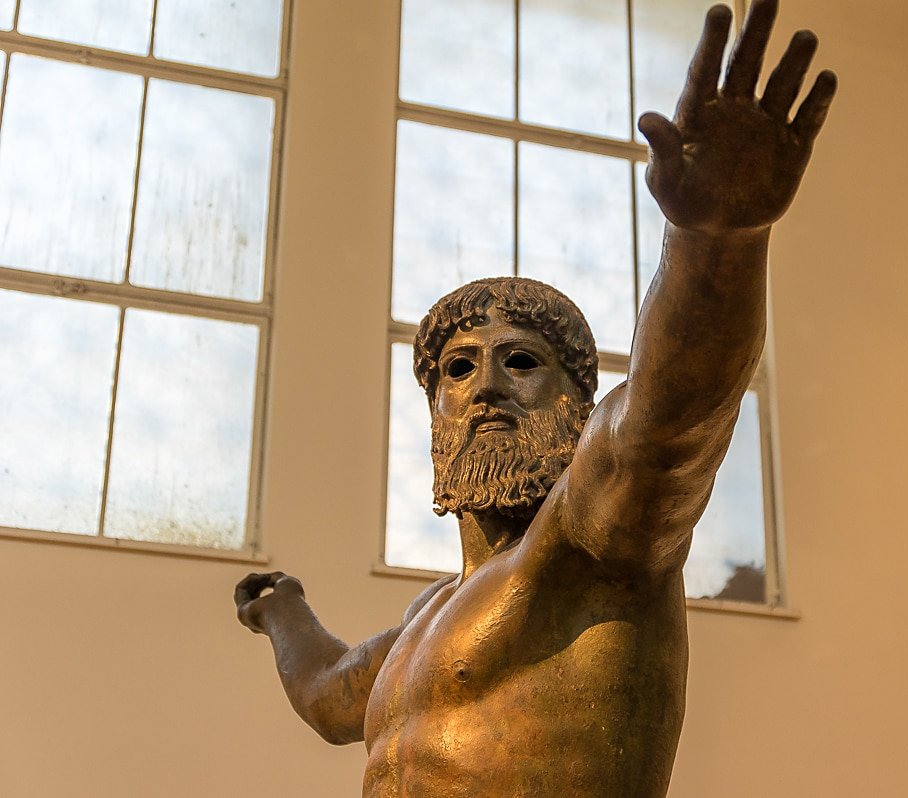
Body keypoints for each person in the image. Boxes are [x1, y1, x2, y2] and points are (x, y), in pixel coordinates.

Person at [234, 2, 836, 795]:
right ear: (434, 415)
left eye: (519, 361)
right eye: (457, 370)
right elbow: (328, 692)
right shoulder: (425, 620)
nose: (485, 384)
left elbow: (670, 421)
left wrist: (716, 239)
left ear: (578, 406)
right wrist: (281, 609)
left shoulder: (590, 546)